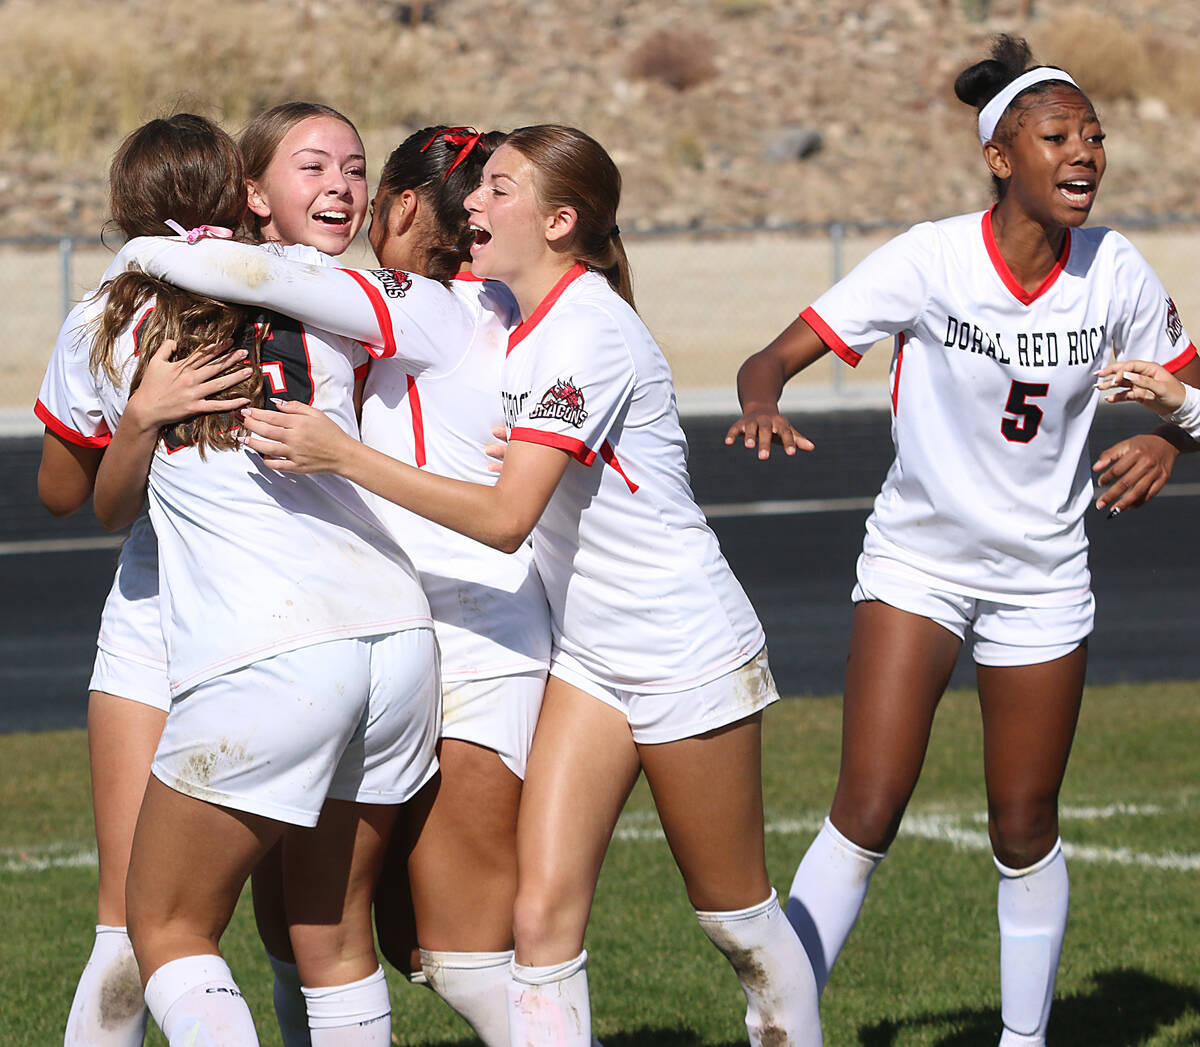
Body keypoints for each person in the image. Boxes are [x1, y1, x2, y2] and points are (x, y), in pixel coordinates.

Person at [111, 123, 825, 1047]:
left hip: (571, 641)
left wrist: (139, 246)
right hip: (539, 647)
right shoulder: (506, 315)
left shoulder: (454, 309)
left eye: (500, 190)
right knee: (492, 928)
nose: (479, 209)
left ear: (400, 205)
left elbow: (499, 510)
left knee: (702, 917)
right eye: (478, 190)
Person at [725, 35, 1199, 1047]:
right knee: (868, 804)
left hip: (1044, 580)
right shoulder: (931, 257)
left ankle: (1023, 1042)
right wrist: (762, 402)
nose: (1086, 153)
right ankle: (781, 1027)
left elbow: (1189, 390)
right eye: (1057, 135)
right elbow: (772, 355)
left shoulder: (1114, 267)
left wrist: (1168, 434)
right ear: (1000, 157)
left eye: (1095, 136)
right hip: (918, 563)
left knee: (1023, 826)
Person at [34, 114, 253, 1047]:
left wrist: (134, 426)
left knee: (129, 917)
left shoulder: (104, 315)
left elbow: (63, 494)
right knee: (307, 924)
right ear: (241, 192)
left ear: (125, 202)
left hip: (157, 619)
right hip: (284, 614)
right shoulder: (296, 293)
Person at [355, 126, 558, 1047]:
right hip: (424, 639)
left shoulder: (433, 304)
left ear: (398, 204)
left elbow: (283, 281)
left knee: (470, 950)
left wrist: (168, 246)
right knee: (400, 934)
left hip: (479, 642)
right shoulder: (499, 302)